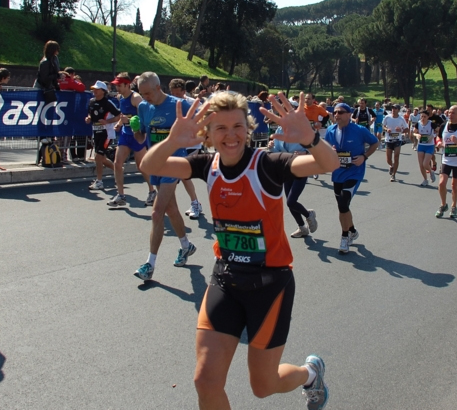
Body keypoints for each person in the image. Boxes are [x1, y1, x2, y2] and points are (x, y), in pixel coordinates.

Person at [139, 90, 339, 410]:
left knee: (264, 386)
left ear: (248, 128)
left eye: (237, 126)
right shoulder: (206, 165)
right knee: (205, 382)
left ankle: (310, 374)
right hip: (226, 282)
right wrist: (172, 141)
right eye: (221, 128)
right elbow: (151, 165)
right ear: (208, 134)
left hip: (270, 286)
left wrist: (310, 138)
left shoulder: (268, 164)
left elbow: (328, 163)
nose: (230, 135)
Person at [131, 72, 196, 281]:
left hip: (174, 164)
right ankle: (186, 245)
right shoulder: (143, 107)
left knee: (157, 213)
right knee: (170, 208)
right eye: (142, 93)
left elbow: (197, 129)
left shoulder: (179, 105)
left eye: (148, 93)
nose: (145, 97)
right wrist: (135, 131)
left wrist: (191, 150)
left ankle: (149, 265)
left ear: (159, 87)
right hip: (155, 165)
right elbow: (142, 136)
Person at [325, 103, 379, 254]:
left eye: (341, 112)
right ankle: (352, 230)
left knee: (343, 202)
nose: (337, 115)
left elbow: (375, 143)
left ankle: (344, 237)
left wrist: (364, 156)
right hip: (337, 173)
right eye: (335, 112)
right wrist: (331, 151)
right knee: (343, 207)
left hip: (355, 172)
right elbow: (328, 148)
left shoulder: (360, 130)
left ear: (349, 115)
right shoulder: (330, 130)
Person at [105, 72, 156, 207]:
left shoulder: (136, 98)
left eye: (120, 85)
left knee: (141, 166)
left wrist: (133, 121)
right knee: (117, 163)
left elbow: (147, 115)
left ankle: (152, 191)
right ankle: (121, 195)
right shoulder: (120, 97)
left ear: (127, 85)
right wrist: (120, 123)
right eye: (116, 85)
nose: (117, 88)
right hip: (125, 134)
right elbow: (123, 114)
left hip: (137, 135)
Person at [269, 126, 318, 238]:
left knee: (291, 201)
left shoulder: (302, 129)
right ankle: (302, 228)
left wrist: (305, 153)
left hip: (302, 167)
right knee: (290, 202)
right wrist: (271, 148)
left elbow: (315, 148)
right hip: (286, 169)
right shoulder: (279, 130)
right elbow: (279, 152)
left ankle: (308, 214)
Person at [169, 78, 203, 219]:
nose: (175, 96)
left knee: (182, 174)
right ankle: (172, 205)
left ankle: (195, 203)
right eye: (173, 93)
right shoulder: (168, 104)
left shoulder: (192, 103)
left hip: (192, 143)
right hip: (177, 143)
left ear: (184, 91)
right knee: (175, 175)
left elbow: (202, 120)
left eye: (178, 93)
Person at [435, 105, 457, 218]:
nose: (450, 114)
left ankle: (454, 206)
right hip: (446, 159)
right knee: (441, 183)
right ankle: (443, 204)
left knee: (454, 185)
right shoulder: (443, 125)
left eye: (453, 113)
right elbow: (438, 137)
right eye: (449, 112)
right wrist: (439, 142)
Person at [85, 81, 121, 190]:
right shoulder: (91, 102)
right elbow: (90, 114)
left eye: (97, 89)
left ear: (103, 91)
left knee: (98, 157)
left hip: (106, 133)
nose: (94, 91)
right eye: (93, 89)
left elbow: (119, 115)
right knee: (102, 158)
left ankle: (99, 182)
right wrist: (88, 118)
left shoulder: (108, 103)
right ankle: (119, 170)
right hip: (96, 132)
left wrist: (108, 121)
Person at [382, 104, 408, 182]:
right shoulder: (387, 117)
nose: (393, 110)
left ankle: (393, 175)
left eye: (395, 108)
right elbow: (383, 126)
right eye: (392, 108)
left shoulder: (401, 118)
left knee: (396, 157)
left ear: (398, 110)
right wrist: (386, 129)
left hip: (397, 140)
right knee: (388, 159)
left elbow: (407, 129)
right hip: (388, 140)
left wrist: (401, 130)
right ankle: (392, 165)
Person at [412, 110, 437, 186]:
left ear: (428, 117)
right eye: (421, 116)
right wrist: (417, 135)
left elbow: (438, 131)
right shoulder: (418, 124)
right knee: (421, 165)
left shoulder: (431, 124)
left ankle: (431, 172)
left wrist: (433, 136)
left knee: (425, 163)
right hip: (421, 145)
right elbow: (414, 132)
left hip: (429, 145)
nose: (423, 118)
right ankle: (425, 180)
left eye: (424, 117)